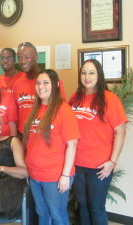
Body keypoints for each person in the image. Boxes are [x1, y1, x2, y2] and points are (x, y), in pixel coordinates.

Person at [68, 59, 127, 225]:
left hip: (99, 166)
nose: (87, 76)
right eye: (84, 72)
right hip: (77, 163)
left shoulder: (110, 99)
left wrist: (112, 162)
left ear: (99, 75)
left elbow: (120, 132)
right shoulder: (74, 98)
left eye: (91, 72)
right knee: (83, 205)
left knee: (96, 207)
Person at [23, 69, 80, 225]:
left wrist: (65, 176)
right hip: (35, 175)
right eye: (38, 83)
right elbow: (31, 144)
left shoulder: (63, 110)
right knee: (42, 214)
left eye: (46, 82)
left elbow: (72, 144)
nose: (41, 86)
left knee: (58, 215)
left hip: (55, 176)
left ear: (55, 85)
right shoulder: (34, 110)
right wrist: (29, 170)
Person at [14, 42, 65, 136]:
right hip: (23, 135)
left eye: (27, 56)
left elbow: (61, 110)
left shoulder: (52, 82)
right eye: (19, 57)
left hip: (45, 133)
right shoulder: (17, 84)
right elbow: (16, 114)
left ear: (37, 57)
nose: (22, 61)